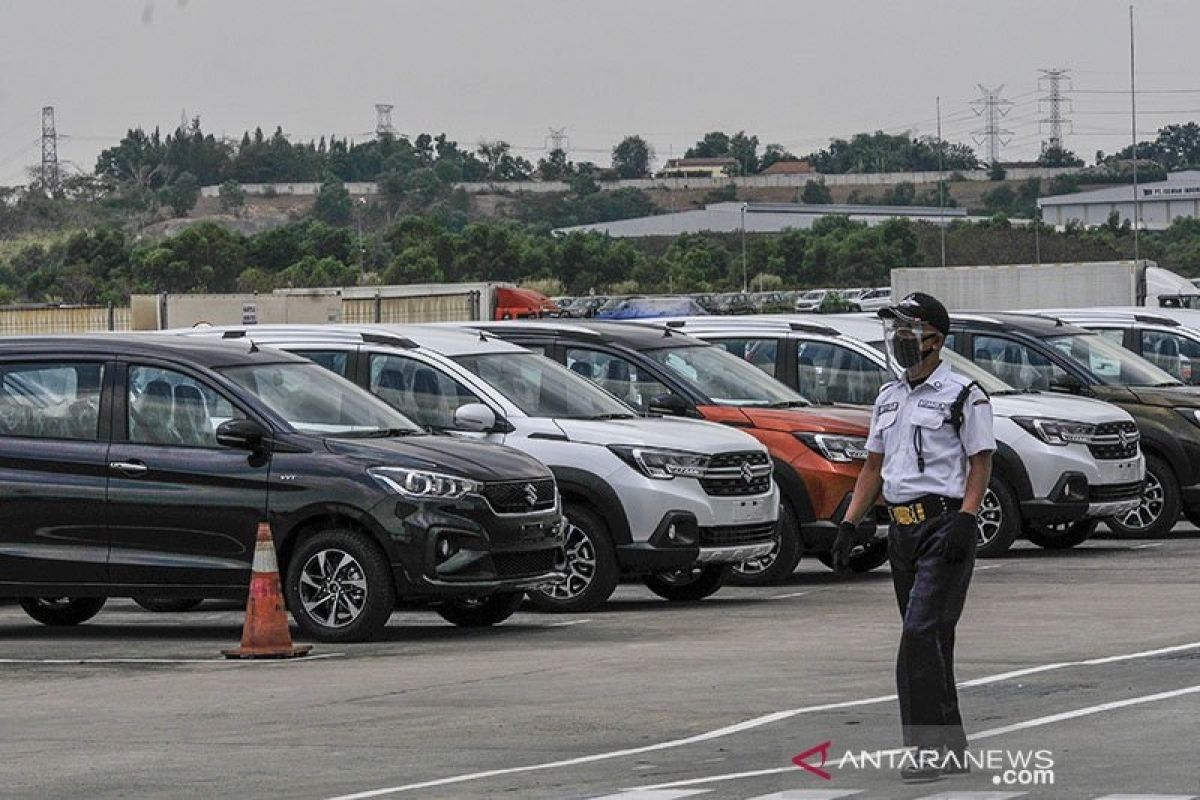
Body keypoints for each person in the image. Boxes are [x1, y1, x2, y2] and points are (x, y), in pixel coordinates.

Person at [833, 292, 995, 783]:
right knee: (932, 639)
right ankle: (950, 747)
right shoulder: (890, 396)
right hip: (900, 530)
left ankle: (925, 750)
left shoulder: (964, 394)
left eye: (908, 330)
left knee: (918, 637)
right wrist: (849, 521)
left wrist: (968, 518)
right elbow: (874, 467)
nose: (899, 340)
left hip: (944, 525)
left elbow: (981, 461)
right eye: (895, 331)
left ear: (935, 339)